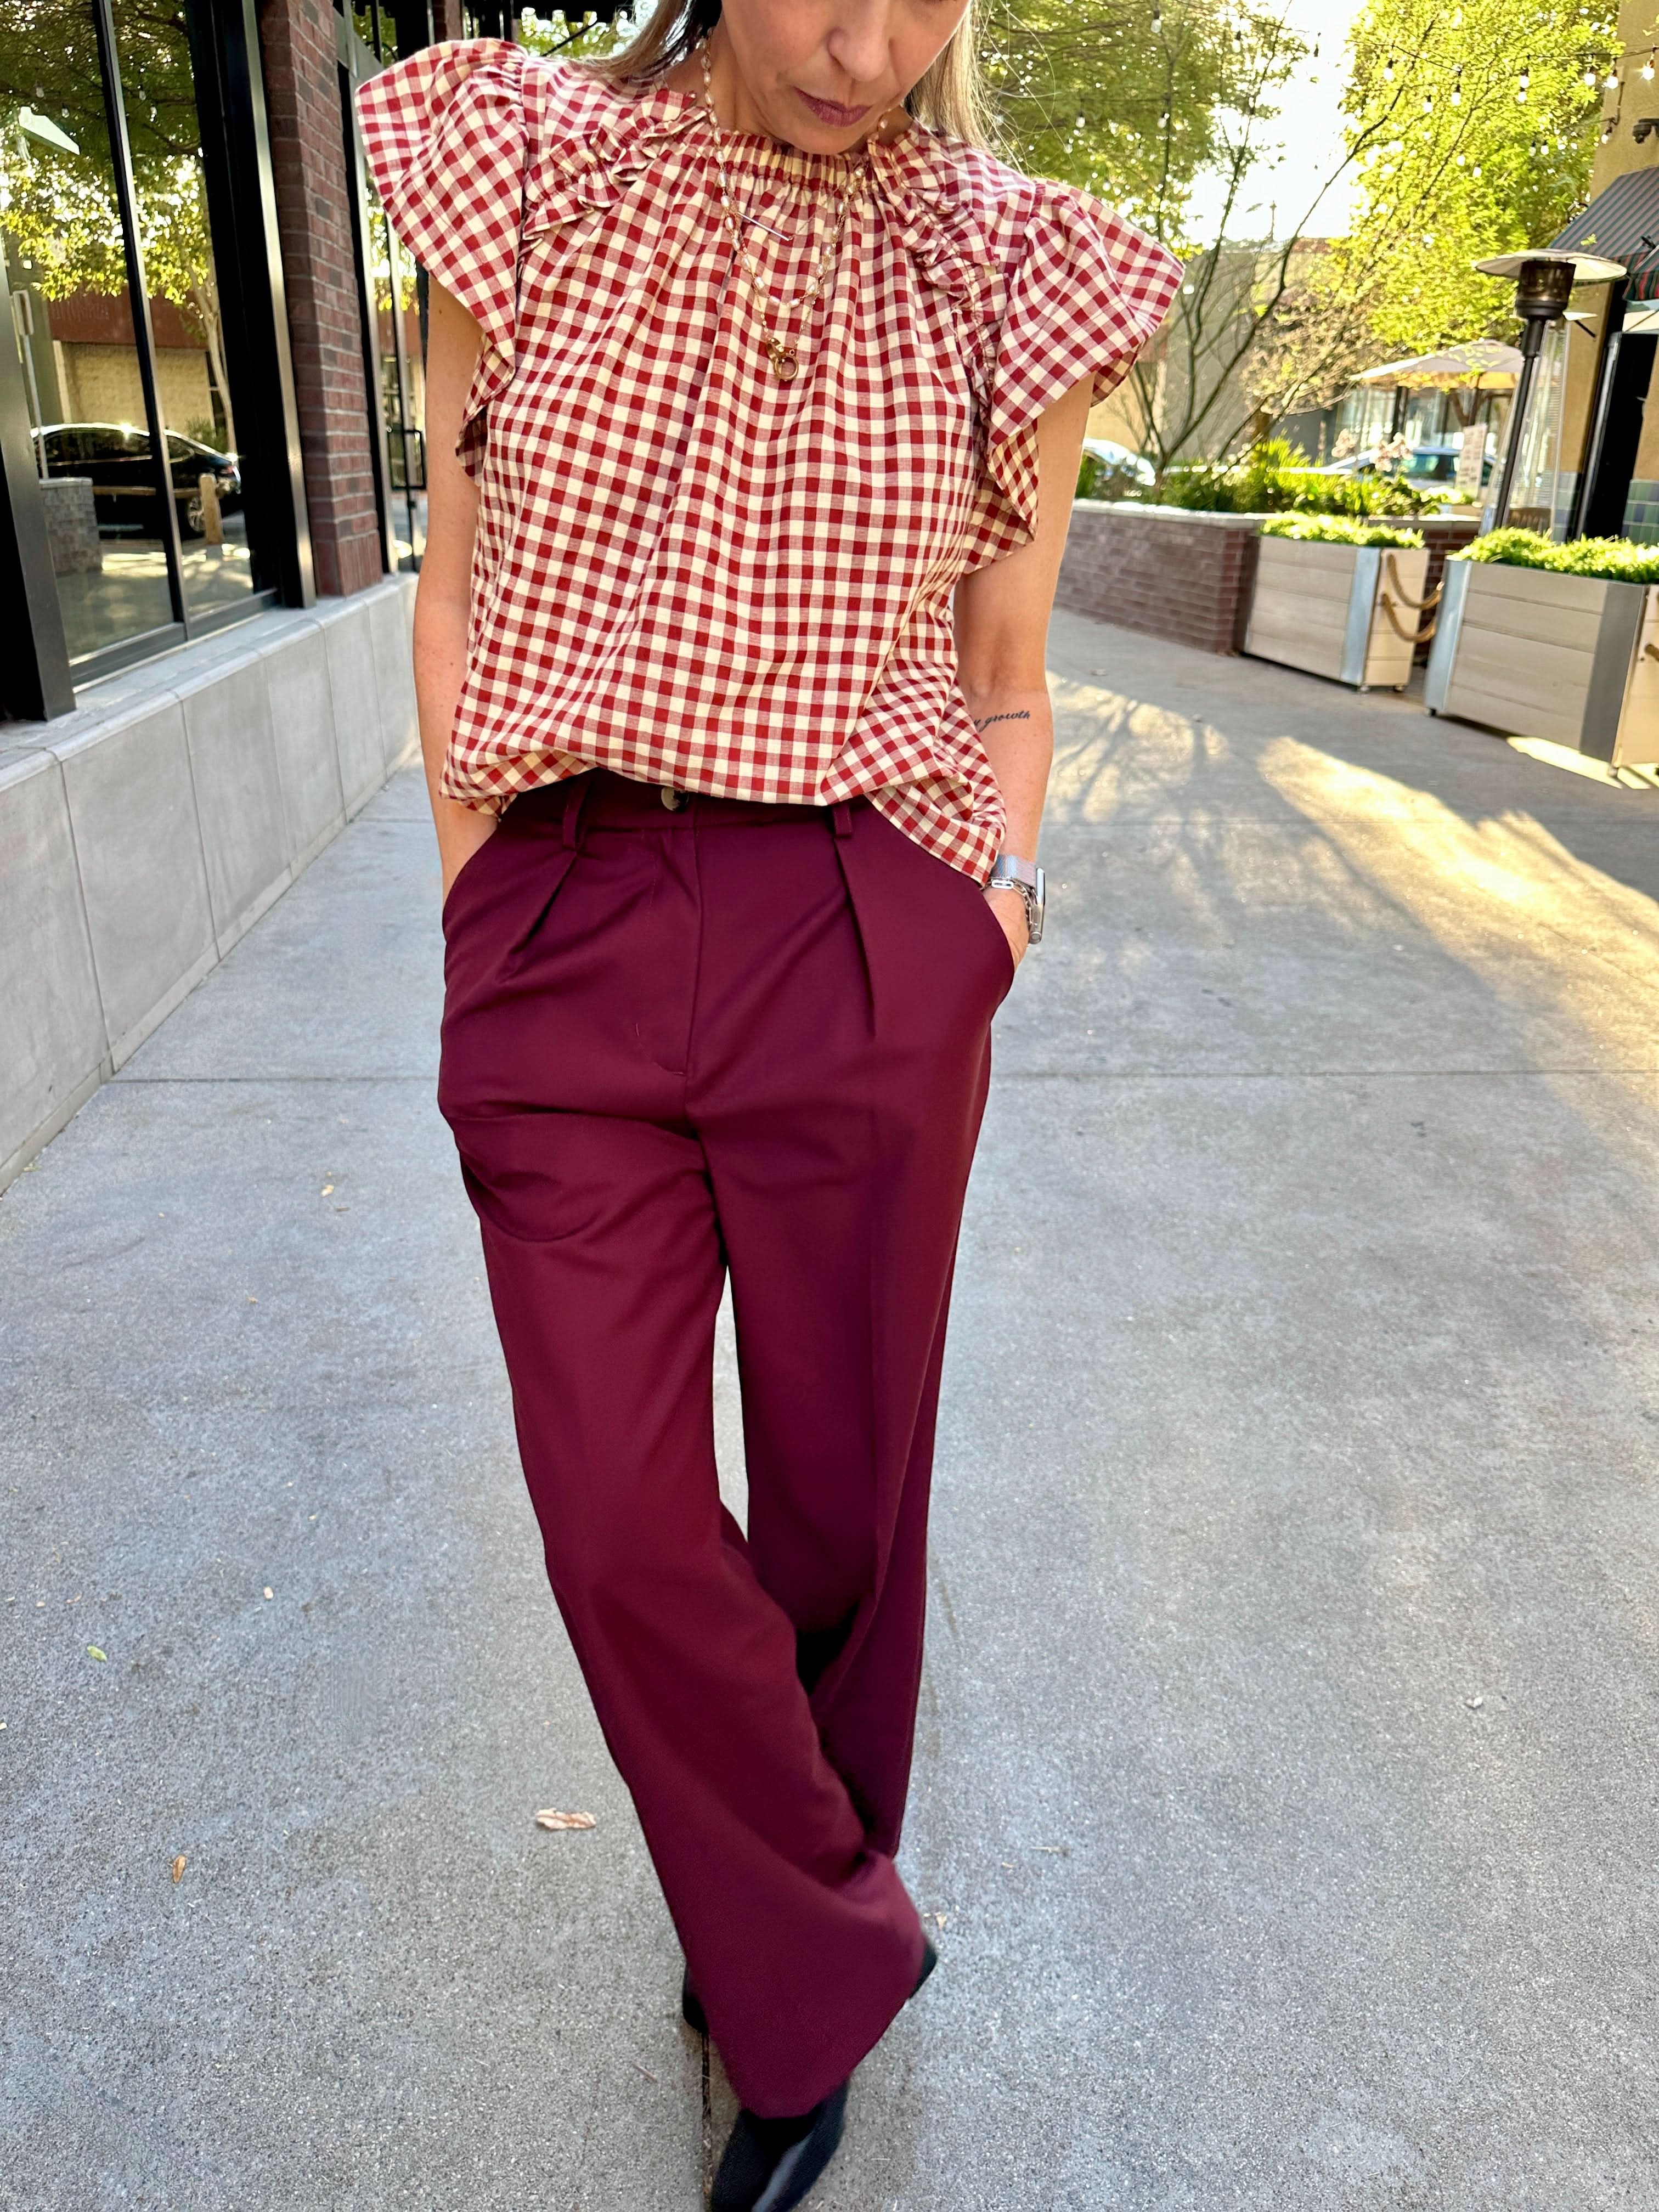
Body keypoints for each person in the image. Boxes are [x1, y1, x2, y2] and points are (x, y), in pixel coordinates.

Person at [355, 5, 1178, 2203]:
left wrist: (992, 911)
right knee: (620, 1517)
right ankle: (826, 1941)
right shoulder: (522, 166)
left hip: (865, 917)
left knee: (841, 1510)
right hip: (569, 904)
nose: (872, 46)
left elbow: (1005, 673)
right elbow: (457, 580)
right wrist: (476, 896)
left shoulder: (1014, 265)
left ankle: (773, 1981)